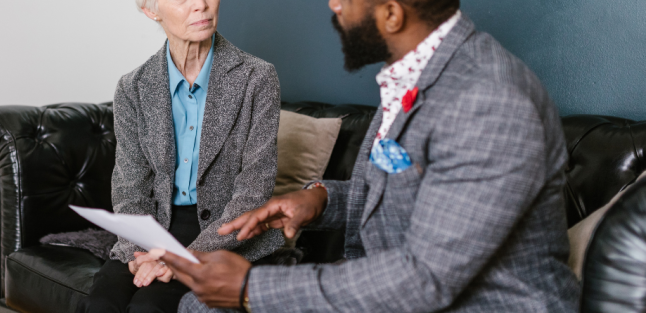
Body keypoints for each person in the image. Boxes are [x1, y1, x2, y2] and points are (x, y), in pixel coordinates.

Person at [155, 0, 582, 312]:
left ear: (392, 14)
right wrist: (320, 199)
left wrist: (251, 288)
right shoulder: (416, 73)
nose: (333, 5)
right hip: (409, 287)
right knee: (199, 306)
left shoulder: (487, 100)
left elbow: (425, 279)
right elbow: (409, 196)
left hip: (477, 303)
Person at [75, 0, 285, 312]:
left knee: (149, 307)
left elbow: (254, 192)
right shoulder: (132, 87)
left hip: (222, 230)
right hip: (155, 224)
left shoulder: (258, 77)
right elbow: (130, 188)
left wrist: (185, 260)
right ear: (151, 10)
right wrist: (138, 253)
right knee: (101, 303)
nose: (200, 5)